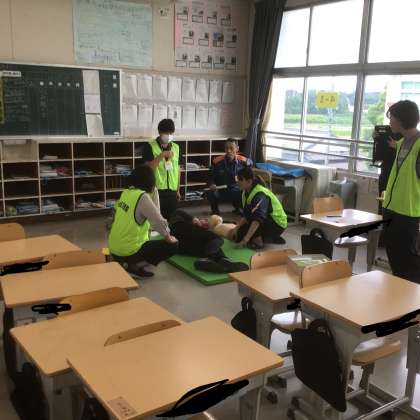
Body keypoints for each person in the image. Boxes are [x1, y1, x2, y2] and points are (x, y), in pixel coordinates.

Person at [108, 165, 178, 278]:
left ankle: (121, 261)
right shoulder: (142, 197)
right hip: (129, 251)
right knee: (173, 245)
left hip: (113, 249)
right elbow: (159, 222)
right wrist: (169, 237)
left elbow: (113, 217)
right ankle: (132, 266)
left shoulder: (126, 192)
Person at [382, 100, 420, 283]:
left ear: (402, 120)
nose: (390, 122)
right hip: (391, 208)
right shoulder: (402, 142)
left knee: (408, 260)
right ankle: (397, 291)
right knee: (394, 254)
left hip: (408, 211)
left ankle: (411, 295)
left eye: (392, 118)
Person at [168, 209, 248, 273]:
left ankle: (222, 263)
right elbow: (177, 212)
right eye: (205, 220)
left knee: (210, 245)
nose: (206, 223)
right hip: (177, 231)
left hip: (182, 248)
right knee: (217, 239)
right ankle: (218, 259)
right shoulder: (183, 222)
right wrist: (193, 219)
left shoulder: (202, 236)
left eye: (207, 224)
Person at [228, 167, 287, 249]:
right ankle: (268, 238)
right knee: (238, 236)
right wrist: (236, 228)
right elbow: (246, 214)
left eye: (240, 179)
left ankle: (260, 241)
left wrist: (245, 240)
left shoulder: (260, 194)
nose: (237, 182)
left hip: (276, 224)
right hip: (265, 220)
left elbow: (257, 219)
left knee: (252, 222)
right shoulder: (245, 192)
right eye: (237, 179)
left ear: (249, 181)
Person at [142, 119, 181, 220]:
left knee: (172, 221)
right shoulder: (149, 147)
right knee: (157, 221)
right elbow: (148, 169)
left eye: (171, 133)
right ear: (159, 132)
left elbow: (178, 169)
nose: (168, 136)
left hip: (172, 192)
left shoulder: (176, 147)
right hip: (156, 191)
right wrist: (161, 156)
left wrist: (178, 189)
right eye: (166, 133)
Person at [206, 138, 252, 215]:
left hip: (236, 190)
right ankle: (215, 211)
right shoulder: (217, 161)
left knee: (246, 192)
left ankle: (238, 209)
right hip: (221, 190)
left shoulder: (244, 162)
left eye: (231, 148)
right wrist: (212, 184)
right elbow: (209, 177)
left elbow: (250, 173)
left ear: (237, 149)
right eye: (226, 148)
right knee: (210, 192)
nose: (228, 151)